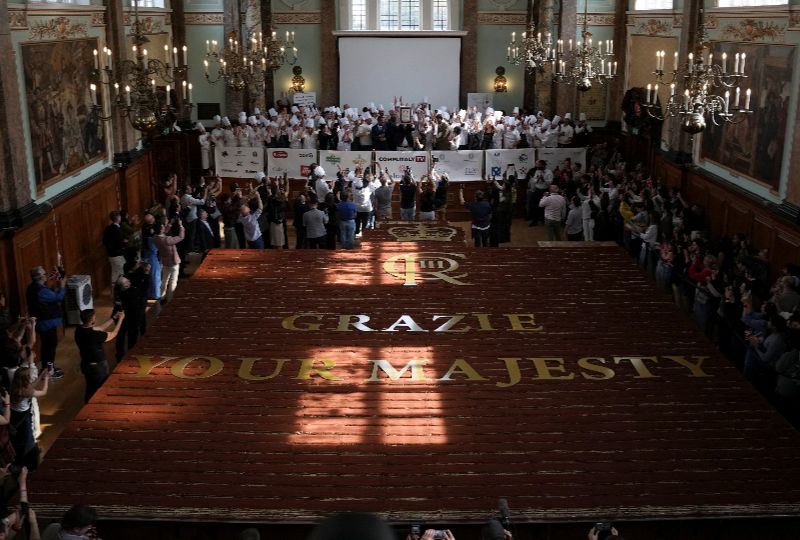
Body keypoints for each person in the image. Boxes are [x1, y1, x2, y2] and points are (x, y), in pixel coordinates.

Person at [75, 309, 124, 403]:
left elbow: (101, 327)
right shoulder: (95, 335)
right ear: (92, 321)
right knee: (101, 388)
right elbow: (114, 334)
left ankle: (87, 408)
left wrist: (114, 318)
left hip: (85, 364)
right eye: (94, 317)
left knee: (90, 388)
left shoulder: (79, 330)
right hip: (98, 367)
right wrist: (121, 319)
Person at [25, 266, 65, 379]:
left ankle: (46, 368)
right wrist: (62, 287)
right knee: (50, 347)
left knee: (47, 346)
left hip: (43, 322)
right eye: (44, 274)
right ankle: (49, 371)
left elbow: (49, 295)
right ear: (40, 277)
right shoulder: (40, 290)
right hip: (47, 322)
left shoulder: (32, 287)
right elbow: (58, 297)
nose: (46, 275)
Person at [10, 366, 49, 470]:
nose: (31, 377)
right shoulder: (26, 391)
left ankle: (19, 456)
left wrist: (41, 376)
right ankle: (30, 463)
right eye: (29, 376)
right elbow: (43, 392)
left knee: (18, 437)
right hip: (23, 416)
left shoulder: (15, 385)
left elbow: (30, 386)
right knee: (28, 438)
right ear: (26, 379)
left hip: (14, 413)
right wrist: (47, 380)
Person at [152, 219, 185, 304]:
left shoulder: (155, 238)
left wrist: (170, 224)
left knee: (164, 280)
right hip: (173, 262)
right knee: (173, 281)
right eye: (163, 227)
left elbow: (163, 233)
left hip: (165, 262)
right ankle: (170, 299)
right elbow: (181, 237)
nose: (164, 228)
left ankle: (162, 297)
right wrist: (181, 226)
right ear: (161, 229)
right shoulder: (167, 239)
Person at [102, 211, 126, 287]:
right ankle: (119, 292)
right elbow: (119, 243)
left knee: (114, 273)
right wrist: (124, 242)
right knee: (120, 273)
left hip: (110, 254)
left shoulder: (107, 228)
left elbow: (104, 241)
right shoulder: (117, 230)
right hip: (117, 254)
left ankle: (113, 293)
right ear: (118, 218)